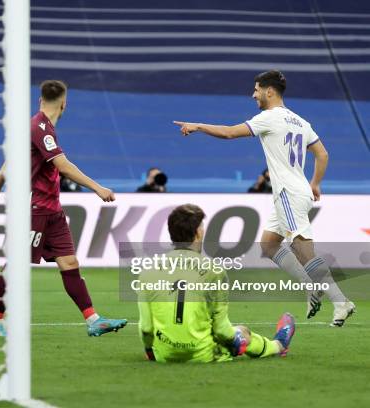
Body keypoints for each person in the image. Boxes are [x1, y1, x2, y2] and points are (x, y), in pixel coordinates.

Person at [173, 70, 355, 326]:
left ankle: (340, 301)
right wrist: (315, 183)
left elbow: (229, 133)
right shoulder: (300, 121)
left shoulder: (269, 118)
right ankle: (311, 287)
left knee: (303, 250)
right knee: (269, 245)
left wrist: (198, 126)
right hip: (298, 189)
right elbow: (322, 154)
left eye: (257, 89)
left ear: (270, 91)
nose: (253, 94)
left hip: (288, 195)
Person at [0, 80, 127, 337]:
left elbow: (9, 162)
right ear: (64, 103)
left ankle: (93, 320)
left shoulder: (35, 126)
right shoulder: (40, 128)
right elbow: (63, 165)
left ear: (40, 100)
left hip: (53, 210)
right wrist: (97, 188)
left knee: (70, 262)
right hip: (35, 209)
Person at [138, 204, 295, 363]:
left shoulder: (148, 271)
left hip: (164, 355)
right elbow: (221, 330)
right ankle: (278, 345)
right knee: (242, 332)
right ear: (198, 233)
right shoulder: (214, 271)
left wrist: (151, 352)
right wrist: (235, 341)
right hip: (202, 354)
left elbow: (146, 328)